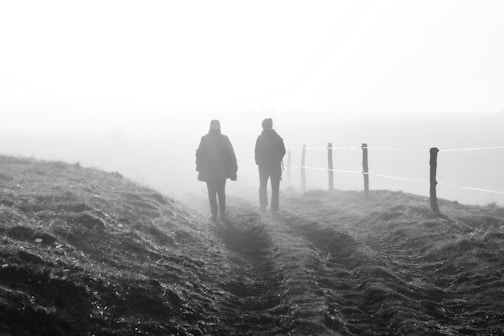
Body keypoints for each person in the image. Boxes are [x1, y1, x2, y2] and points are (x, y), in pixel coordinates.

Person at [196, 120, 237, 220]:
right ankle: (222, 213)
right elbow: (231, 154)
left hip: (209, 170)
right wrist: (234, 169)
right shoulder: (224, 139)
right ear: (219, 127)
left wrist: (199, 166)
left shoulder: (205, 139)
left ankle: (214, 214)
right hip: (222, 170)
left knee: (211, 192)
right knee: (221, 191)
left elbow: (199, 154)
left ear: (210, 127)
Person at [255, 118, 286, 214]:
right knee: (275, 187)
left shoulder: (260, 138)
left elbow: (257, 152)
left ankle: (263, 206)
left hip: (263, 166)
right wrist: (277, 159)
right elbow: (283, 151)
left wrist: (259, 162)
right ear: (271, 126)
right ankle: (274, 208)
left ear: (263, 126)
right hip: (275, 166)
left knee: (263, 186)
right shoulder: (278, 138)